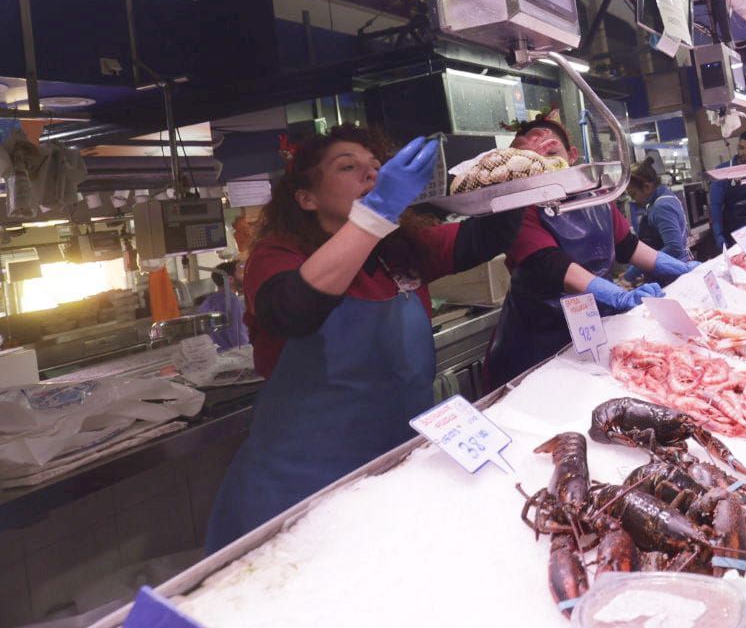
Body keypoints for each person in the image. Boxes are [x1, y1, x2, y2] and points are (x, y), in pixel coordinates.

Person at [207, 129, 521, 551]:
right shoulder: (277, 254)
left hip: (394, 467)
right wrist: (375, 214)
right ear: (306, 198)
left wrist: (517, 178)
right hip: (300, 487)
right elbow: (293, 310)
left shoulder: (400, 250)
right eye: (348, 167)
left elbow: (485, 238)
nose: (370, 175)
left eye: (377, 168)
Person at [484, 118, 692, 388]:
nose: (543, 167)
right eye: (531, 161)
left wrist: (682, 269)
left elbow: (628, 245)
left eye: (551, 154)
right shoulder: (518, 208)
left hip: (588, 330)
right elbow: (553, 266)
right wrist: (619, 297)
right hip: (535, 341)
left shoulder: (595, 198)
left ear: (571, 156)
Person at [625, 160, 691, 276]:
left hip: (672, 272)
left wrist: (639, 268)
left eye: (633, 194)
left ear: (647, 187)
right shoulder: (664, 196)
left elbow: (674, 248)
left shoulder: (661, 207)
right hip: (673, 267)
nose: (633, 200)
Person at [195, 261, 249, 349]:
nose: (245, 276)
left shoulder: (208, 301)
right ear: (230, 279)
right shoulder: (231, 300)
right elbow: (238, 338)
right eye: (240, 273)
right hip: (233, 356)